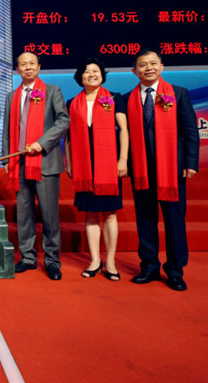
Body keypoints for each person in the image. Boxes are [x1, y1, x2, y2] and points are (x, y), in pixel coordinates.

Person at [124, 49, 199, 291]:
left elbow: (190, 131)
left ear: (162, 66)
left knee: (174, 222)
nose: (148, 68)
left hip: (172, 169)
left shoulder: (178, 93)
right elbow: (123, 135)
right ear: (134, 71)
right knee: (145, 220)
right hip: (141, 169)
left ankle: (176, 271)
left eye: (153, 63)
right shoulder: (127, 99)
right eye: (142, 65)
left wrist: (190, 163)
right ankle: (149, 267)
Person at [2, 52, 69, 280]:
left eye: (32, 63)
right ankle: (28, 257)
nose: (28, 67)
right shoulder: (11, 96)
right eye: (23, 64)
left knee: (49, 215)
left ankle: (52, 260)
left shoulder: (52, 91)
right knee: (24, 214)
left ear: (39, 67)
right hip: (19, 162)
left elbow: (63, 120)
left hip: (45, 162)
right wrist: (6, 159)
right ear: (18, 69)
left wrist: (42, 143)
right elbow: (7, 130)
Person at [64, 58, 129, 281]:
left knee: (109, 214)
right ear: (80, 77)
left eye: (96, 70)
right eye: (86, 71)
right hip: (84, 165)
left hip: (108, 164)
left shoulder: (115, 98)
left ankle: (110, 261)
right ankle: (95, 260)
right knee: (90, 214)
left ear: (102, 75)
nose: (91, 74)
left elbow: (124, 130)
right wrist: (70, 163)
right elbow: (68, 137)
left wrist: (123, 159)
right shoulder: (72, 103)